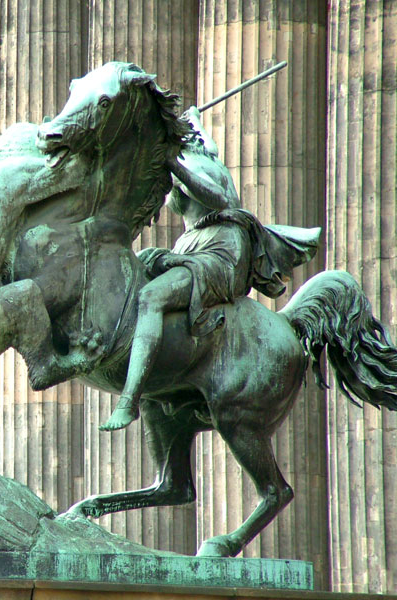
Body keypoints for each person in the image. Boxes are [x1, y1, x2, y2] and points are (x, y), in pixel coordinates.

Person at [100, 106, 320, 431]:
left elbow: (219, 199)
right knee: (140, 268)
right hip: (192, 247)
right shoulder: (185, 161)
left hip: (220, 252)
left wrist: (175, 163)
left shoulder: (204, 164)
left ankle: (129, 400)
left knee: (151, 298)